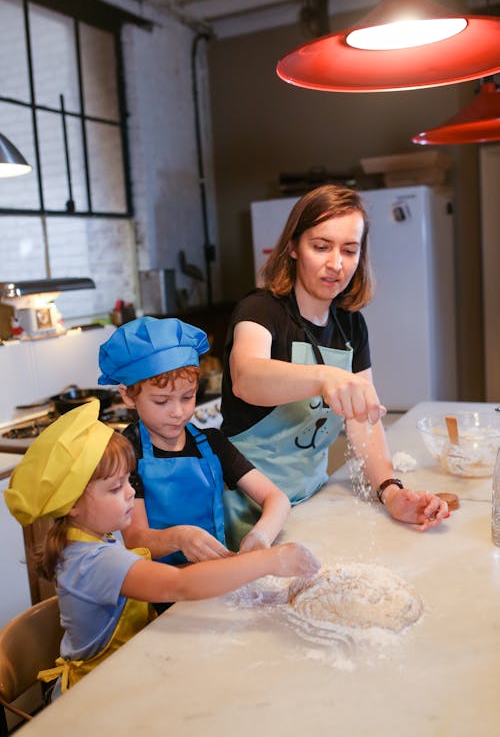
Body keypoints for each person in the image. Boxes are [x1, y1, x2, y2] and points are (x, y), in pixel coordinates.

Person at [3, 400, 320, 696]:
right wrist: (269, 561)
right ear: (71, 505)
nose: (130, 493)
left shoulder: (88, 541)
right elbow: (177, 585)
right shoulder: (95, 561)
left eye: (129, 481)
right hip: (94, 694)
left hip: (120, 671)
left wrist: (229, 568)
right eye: (115, 488)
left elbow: (165, 575)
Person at [221, 184, 450, 542]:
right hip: (245, 510)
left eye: (349, 250)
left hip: (311, 500)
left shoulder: (350, 323)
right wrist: (325, 378)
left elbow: (363, 421)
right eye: (321, 246)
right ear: (293, 247)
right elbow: (246, 378)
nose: (336, 264)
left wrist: (390, 491)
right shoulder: (260, 309)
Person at [98, 316, 291, 560]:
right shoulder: (127, 452)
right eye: (161, 401)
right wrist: (180, 538)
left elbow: (277, 498)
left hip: (212, 578)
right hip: (159, 588)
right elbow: (136, 538)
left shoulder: (211, 444)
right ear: (127, 396)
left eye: (187, 397)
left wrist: (261, 535)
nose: (178, 412)